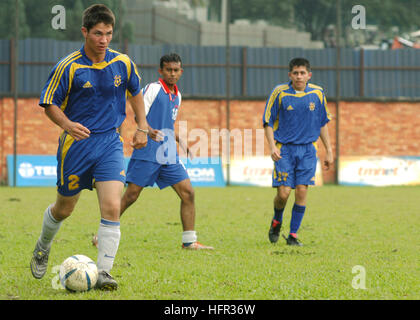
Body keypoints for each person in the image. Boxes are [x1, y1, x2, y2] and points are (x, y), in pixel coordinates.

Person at [29, 4, 148, 290]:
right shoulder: (68, 66)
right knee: (64, 209)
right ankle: (43, 246)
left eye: (108, 33)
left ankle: (104, 272)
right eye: (97, 33)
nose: (104, 40)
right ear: (85, 32)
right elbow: (49, 103)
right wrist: (67, 125)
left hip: (110, 142)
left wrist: (142, 125)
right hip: (76, 146)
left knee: (111, 206)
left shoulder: (123, 63)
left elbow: (136, 92)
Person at [92, 53, 213, 250]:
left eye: (176, 70)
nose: (172, 74)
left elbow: (167, 124)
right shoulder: (153, 88)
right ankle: (102, 234)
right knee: (131, 195)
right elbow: (139, 115)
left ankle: (189, 241)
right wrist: (146, 131)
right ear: (161, 71)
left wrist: (180, 141)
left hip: (168, 153)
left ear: (181, 72)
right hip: (148, 151)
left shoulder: (177, 95)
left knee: (188, 193)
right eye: (168, 70)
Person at [263, 57, 333, 246]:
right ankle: (277, 220)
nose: (299, 76)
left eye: (303, 73)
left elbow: (322, 123)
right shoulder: (279, 93)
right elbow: (268, 122)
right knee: (284, 193)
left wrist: (329, 150)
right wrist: (271, 147)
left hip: (309, 150)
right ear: (290, 75)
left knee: (301, 192)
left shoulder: (318, 93)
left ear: (309, 75)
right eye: (296, 73)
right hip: (284, 149)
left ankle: (293, 236)